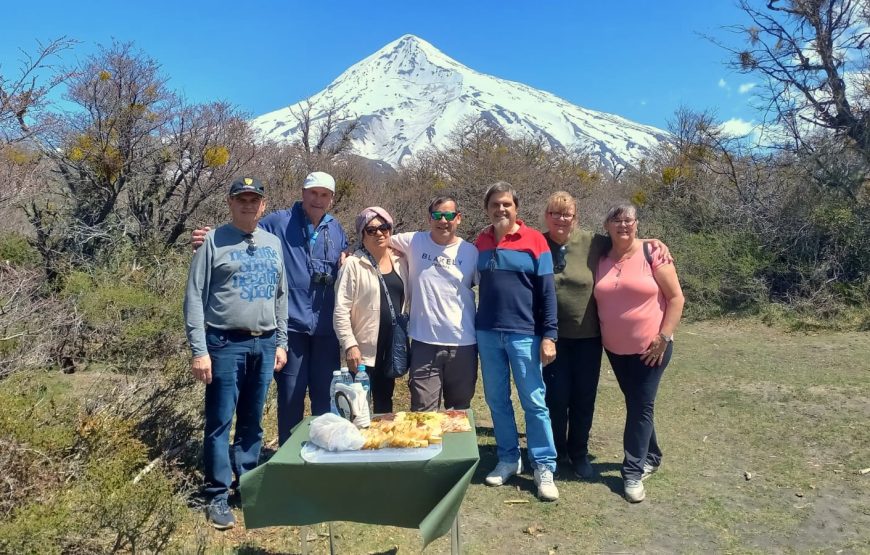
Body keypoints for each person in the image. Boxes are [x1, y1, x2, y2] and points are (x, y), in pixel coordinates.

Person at [192, 171, 347, 445]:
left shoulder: (335, 228)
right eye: (313, 192)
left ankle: (325, 456)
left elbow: (345, 258)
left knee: (325, 396)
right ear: (303, 193)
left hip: (325, 329)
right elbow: (244, 230)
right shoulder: (279, 222)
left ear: (332, 199)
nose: (318, 199)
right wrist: (209, 237)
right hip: (292, 326)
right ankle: (288, 456)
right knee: (290, 396)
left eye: (324, 195)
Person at [184, 177, 288, 530]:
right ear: (230, 203)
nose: (248, 204)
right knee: (219, 422)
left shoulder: (273, 243)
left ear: (263, 204)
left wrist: (282, 342)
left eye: (254, 199)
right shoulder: (212, 242)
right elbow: (195, 297)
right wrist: (200, 350)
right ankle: (216, 494)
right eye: (241, 199)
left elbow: (281, 297)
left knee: (252, 421)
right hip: (225, 344)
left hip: (265, 342)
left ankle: (248, 486)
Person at [593, 202, 684, 503]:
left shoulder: (653, 252)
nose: (623, 225)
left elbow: (675, 298)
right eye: (617, 220)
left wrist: (664, 337)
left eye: (629, 220)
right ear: (607, 226)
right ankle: (652, 455)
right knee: (637, 403)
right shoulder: (601, 256)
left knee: (641, 406)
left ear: (637, 224)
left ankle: (632, 472)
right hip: (616, 351)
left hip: (652, 349)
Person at [475, 181, 560, 502]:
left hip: (525, 333)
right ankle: (509, 458)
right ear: (487, 208)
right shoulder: (480, 241)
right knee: (497, 400)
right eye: (495, 204)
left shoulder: (535, 241)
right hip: (487, 332)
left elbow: (548, 294)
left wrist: (549, 335)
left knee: (534, 402)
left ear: (516, 208)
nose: (501, 209)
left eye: (506, 204)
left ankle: (544, 466)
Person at [389, 195, 479, 412]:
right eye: (437, 215)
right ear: (429, 218)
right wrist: (348, 251)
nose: (443, 221)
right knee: (423, 413)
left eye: (449, 215)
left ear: (458, 218)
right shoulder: (414, 241)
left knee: (458, 412)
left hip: (463, 342)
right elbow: (376, 238)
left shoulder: (471, 252)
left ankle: (456, 448)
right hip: (424, 342)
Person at [333, 207, 409, 414]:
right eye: (371, 230)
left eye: (384, 227)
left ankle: (382, 445)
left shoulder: (401, 262)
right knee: (357, 409)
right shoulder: (352, 264)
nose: (379, 233)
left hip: (390, 347)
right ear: (362, 234)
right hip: (363, 350)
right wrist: (350, 345)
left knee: (385, 403)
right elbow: (340, 310)